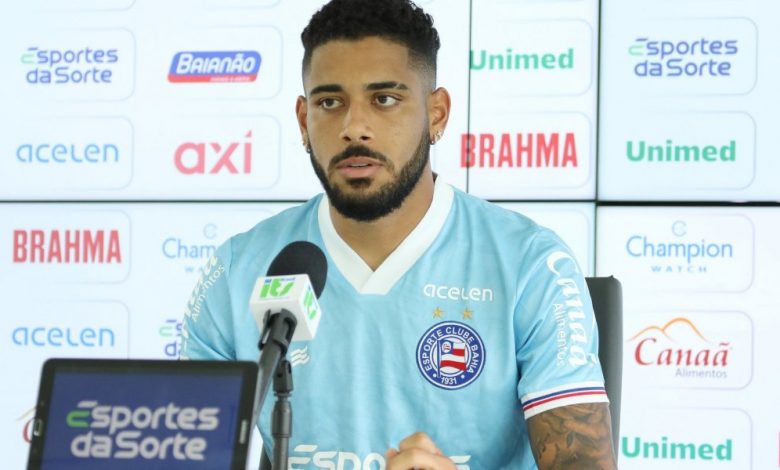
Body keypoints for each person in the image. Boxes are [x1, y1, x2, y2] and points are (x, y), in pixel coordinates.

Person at [181, 0, 617, 468]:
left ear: (437, 114)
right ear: (304, 120)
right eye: (330, 103)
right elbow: (185, 455)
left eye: (384, 99)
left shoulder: (529, 263)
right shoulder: (238, 269)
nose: (354, 128)